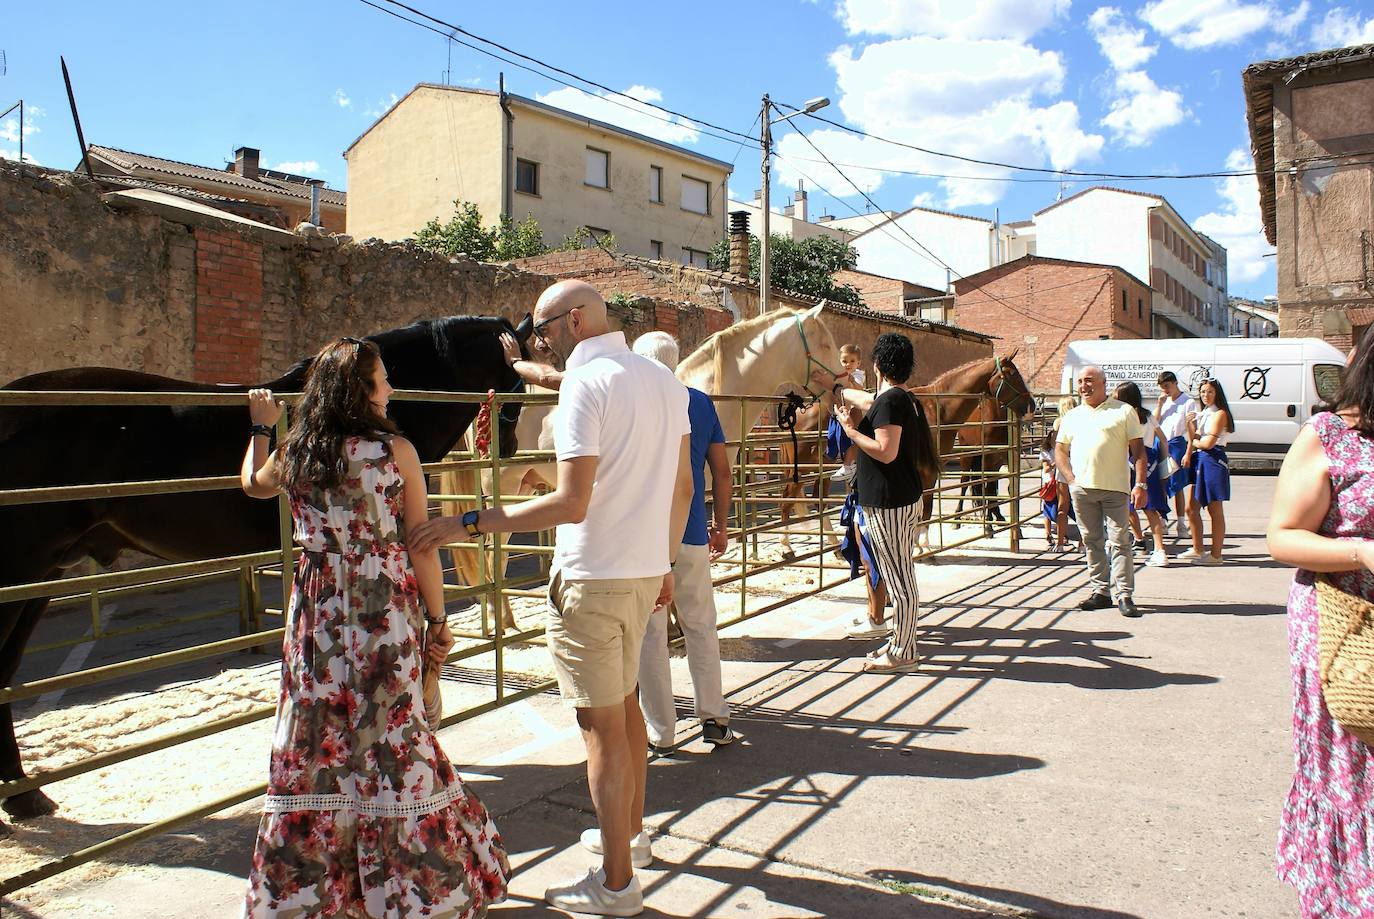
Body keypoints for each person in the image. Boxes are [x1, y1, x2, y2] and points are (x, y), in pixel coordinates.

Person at [410, 281, 694, 918]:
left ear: (571, 322)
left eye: (544, 332)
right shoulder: (662, 382)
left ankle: (616, 885)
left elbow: (571, 502)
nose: (544, 344)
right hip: (644, 571)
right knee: (627, 719)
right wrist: (666, 561)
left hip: (591, 576)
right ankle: (633, 839)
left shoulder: (584, 390)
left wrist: (474, 522)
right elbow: (683, 483)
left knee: (601, 736)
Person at [239, 338, 509, 919]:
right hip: (384, 613)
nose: (389, 389)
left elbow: (252, 485)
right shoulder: (396, 452)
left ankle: (309, 897)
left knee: (313, 740)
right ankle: (414, 893)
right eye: (381, 380)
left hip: (316, 620)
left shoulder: (297, 452)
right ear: (359, 391)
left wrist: (262, 427)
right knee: (393, 733)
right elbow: (421, 545)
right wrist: (440, 619)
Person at [1267, 323, 1374, 918]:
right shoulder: (1332, 434)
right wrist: (1361, 551)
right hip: (1344, 625)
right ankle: (1345, 894)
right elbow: (1281, 536)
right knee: (1354, 761)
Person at [631, 331, 733, 753]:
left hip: (643, 540)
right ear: (675, 362)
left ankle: (661, 731)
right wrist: (720, 524)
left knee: (651, 635)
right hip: (689, 533)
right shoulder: (701, 402)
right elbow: (722, 472)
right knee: (700, 627)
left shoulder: (630, 402)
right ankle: (714, 718)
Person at [833, 333, 929, 673]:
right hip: (902, 499)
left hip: (889, 504)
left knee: (899, 582)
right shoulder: (903, 398)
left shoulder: (889, 402)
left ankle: (903, 654)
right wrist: (842, 389)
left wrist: (851, 431)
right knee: (903, 576)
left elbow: (886, 452)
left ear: (876, 365)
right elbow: (871, 399)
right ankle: (904, 645)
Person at [1055, 366, 1149, 618]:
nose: (1083, 386)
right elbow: (1060, 450)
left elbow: (1139, 452)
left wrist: (1140, 485)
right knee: (1092, 541)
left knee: (1120, 541)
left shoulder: (1123, 411)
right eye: (1080, 382)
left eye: (1089, 381)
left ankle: (1125, 595)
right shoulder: (1072, 416)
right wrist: (1071, 478)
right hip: (1082, 490)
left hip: (1115, 489)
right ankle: (1101, 592)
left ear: (1103, 383)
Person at [1115, 382, 1171, 567]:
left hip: (1131, 459)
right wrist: (1164, 459)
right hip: (1150, 461)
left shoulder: (1124, 416)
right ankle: (1159, 548)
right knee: (1150, 508)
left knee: (1127, 505)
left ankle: (1138, 540)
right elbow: (1163, 438)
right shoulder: (1148, 415)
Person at [1183, 378, 1234, 565]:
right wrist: (1191, 429)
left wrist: (1195, 442)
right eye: (1203, 392)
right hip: (1200, 459)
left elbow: (1207, 443)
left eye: (1210, 392)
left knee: (1214, 508)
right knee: (1191, 507)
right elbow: (1194, 437)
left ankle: (1216, 555)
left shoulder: (1220, 413)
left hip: (1213, 459)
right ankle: (1197, 548)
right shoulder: (1203, 412)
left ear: (1217, 393)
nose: (1206, 395)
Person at [1155, 371, 1197, 539]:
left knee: (1177, 485)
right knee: (1161, 484)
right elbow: (1155, 422)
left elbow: (1191, 428)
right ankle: (1163, 520)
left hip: (1176, 442)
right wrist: (1160, 404)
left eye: (1167, 386)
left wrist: (1189, 451)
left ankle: (1180, 522)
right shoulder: (1164, 402)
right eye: (1162, 387)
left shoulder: (1188, 402)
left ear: (1174, 383)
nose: (1165, 390)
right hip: (1161, 443)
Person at [828, 344, 865, 482]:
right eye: (844, 361)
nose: (848, 364)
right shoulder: (837, 375)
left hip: (852, 410)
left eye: (852, 361)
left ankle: (848, 465)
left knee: (852, 437)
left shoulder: (857, 375)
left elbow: (860, 389)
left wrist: (852, 381)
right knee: (835, 435)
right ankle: (841, 460)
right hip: (839, 412)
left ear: (858, 363)